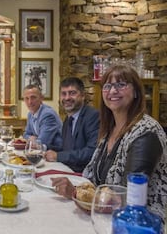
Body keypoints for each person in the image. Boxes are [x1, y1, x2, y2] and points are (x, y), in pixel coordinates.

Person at [51, 65, 167, 220]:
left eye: (121, 85)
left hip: (136, 224)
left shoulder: (146, 132)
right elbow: (93, 180)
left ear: (136, 93)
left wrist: (75, 192)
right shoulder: (109, 130)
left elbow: (126, 198)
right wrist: (78, 191)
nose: (113, 91)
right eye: (107, 86)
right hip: (103, 215)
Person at [44, 77, 99, 172]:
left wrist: (58, 156)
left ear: (83, 96)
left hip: (84, 176)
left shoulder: (92, 116)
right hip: (67, 170)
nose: (67, 98)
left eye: (72, 93)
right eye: (63, 94)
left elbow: (92, 152)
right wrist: (43, 147)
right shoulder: (68, 119)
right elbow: (67, 148)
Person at [23, 84, 63, 150]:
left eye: (33, 97)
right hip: (41, 151)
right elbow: (26, 134)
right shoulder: (30, 114)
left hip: (56, 153)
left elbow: (42, 142)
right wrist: (31, 138)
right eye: (26, 98)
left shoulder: (48, 114)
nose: (29, 102)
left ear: (41, 98)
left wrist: (33, 139)